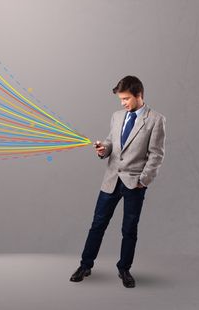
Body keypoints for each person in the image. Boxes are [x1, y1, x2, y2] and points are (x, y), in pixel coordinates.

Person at [70, 75, 166, 288]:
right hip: (111, 179)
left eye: (126, 99)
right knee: (97, 224)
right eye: (121, 99)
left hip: (135, 183)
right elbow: (112, 141)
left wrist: (144, 180)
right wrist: (103, 149)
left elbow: (156, 155)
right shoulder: (116, 116)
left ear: (139, 95)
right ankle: (85, 265)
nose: (123, 103)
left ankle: (124, 269)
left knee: (129, 229)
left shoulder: (156, 120)